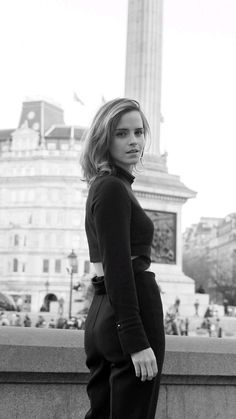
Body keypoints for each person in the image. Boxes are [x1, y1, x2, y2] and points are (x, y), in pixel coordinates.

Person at [80, 98, 165, 419]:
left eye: (139, 132)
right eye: (122, 133)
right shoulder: (113, 188)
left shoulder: (104, 186)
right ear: (104, 139)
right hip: (129, 310)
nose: (134, 141)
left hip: (103, 310)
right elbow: (118, 267)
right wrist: (135, 340)